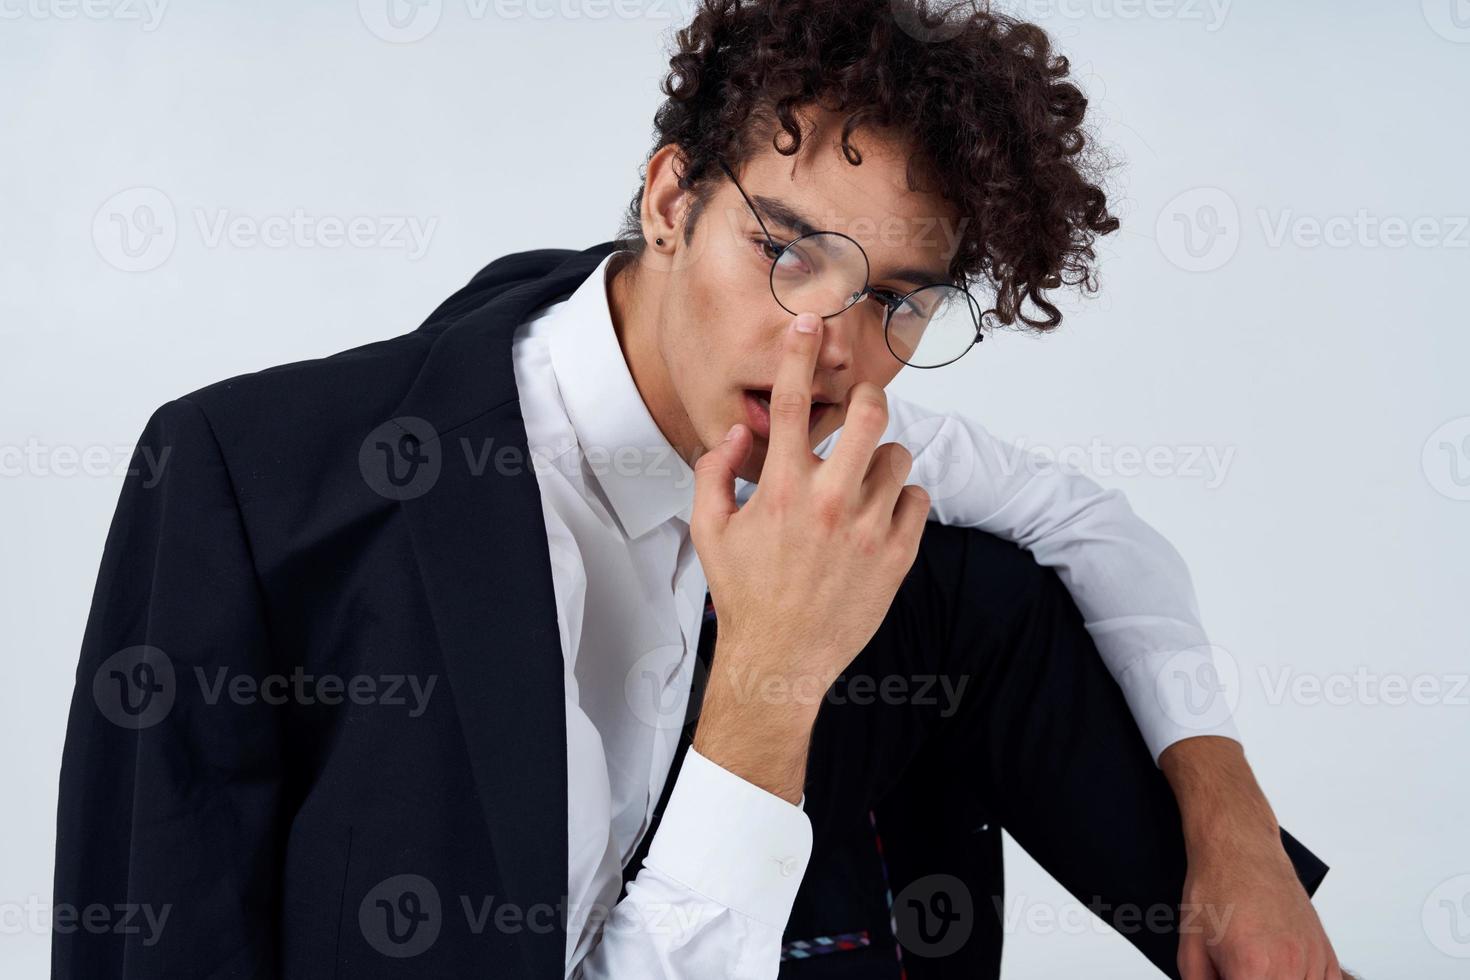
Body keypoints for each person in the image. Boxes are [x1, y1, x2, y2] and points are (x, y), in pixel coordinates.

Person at [52, 1, 1347, 977]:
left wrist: (1228, 821)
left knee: (980, 583)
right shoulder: (245, 479)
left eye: (896, 300)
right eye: (784, 251)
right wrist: (770, 677)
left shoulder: (838, 438)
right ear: (669, 199)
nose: (824, 347)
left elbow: (1092, 526)